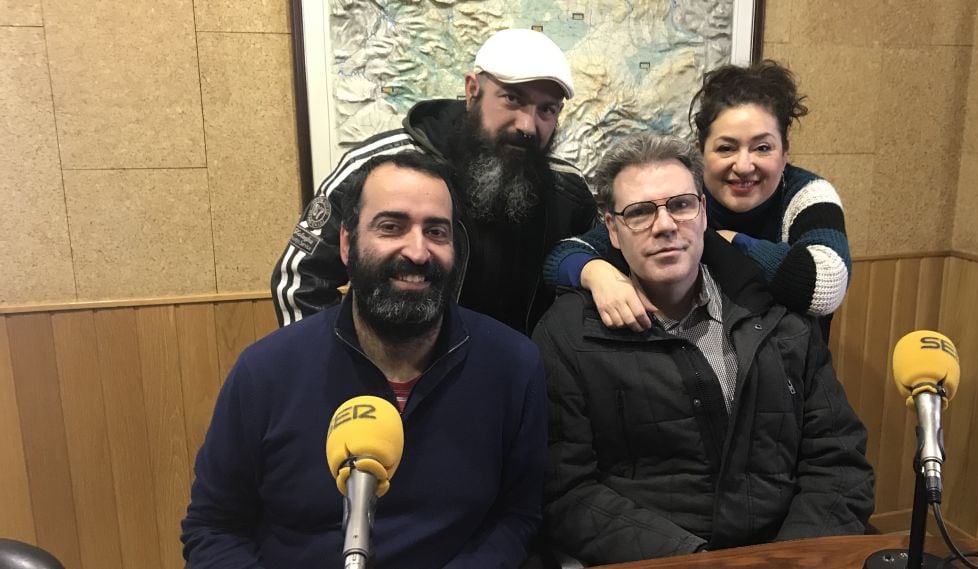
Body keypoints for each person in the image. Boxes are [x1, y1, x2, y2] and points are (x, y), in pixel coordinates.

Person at [183, 152, 548, 569]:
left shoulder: (514, 367)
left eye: (436, 232)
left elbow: (518, 517)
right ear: (346, 243)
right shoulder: (264, 372)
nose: (417, 251)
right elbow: (213, 528)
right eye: (391, 226)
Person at [532, 134, 873, 566]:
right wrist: (695, 561)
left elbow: (838, 461)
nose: (665, 225)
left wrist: (793, 557)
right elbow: (566, 492)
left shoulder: (779, 319)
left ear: (703, 212)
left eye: (680, 205)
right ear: (612, 231)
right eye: (639, 212)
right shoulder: (568, 336)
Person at [273, 28, 597, 334]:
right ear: (472, 91)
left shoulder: (568, 191)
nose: (528, 124)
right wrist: (339, 373)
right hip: (400, 382)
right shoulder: (381, 166)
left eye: (547, 110)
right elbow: (301, 281)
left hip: (518, 381)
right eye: (512, 99)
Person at [543, 61, 849, 339]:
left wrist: (732, 242)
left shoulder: (808, 195)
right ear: (700, 151)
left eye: (763, 148)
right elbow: (565, 254)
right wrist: (597, 274)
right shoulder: (681, 201)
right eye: (726, 148)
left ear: (785, 151)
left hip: (792, 372)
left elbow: (825, 284)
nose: (743, 165)